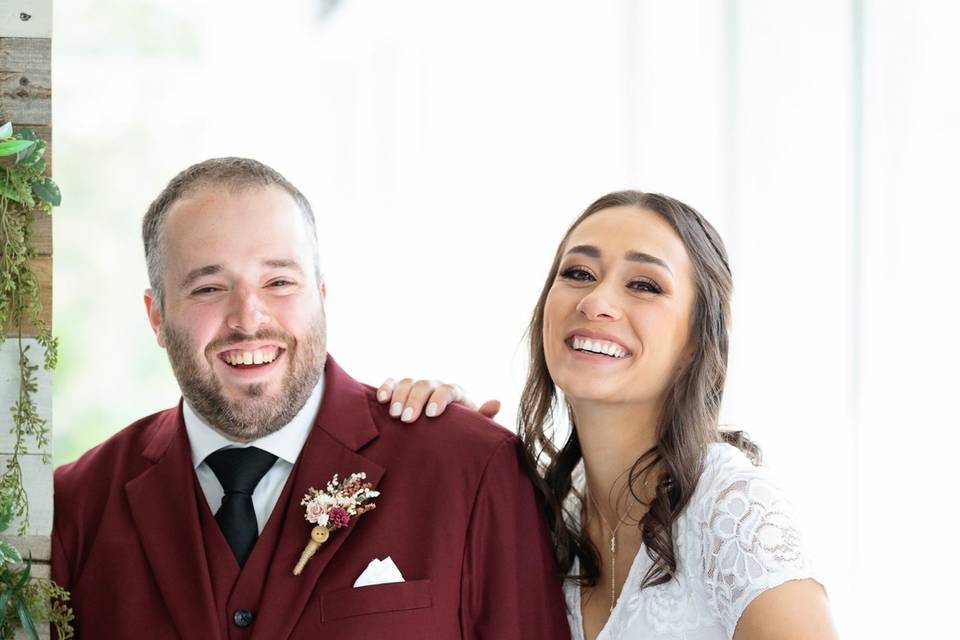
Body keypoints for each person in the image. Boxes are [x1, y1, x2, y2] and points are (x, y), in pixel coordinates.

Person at [51, 158, 570, 639]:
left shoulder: (472, 467)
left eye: (279, 281)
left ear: (320, 296)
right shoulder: (75, 506)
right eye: (209, 288)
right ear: (157, 316)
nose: (249, 318)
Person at [378, 191, 838, 639]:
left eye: (643, 285)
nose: (595, 301)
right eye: (578, 273)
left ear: (696, 340)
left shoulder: (731, 509)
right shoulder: (553, 516)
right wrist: (448, 441)